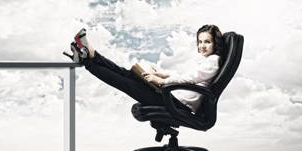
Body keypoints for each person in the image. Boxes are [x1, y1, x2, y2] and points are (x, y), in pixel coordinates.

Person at [63, 25, 223, 116]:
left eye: (207, 42)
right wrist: (162, 75)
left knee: (125, 82)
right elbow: (188, 77)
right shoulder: (205, 60)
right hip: (172, 96)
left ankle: (87, 61)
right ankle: (92, 54)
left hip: (177, 104)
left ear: (215, 43)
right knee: (126, 73)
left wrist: (162, 81)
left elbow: (191, 80)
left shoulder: (213, 61)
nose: (202, 45)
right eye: (200, 41)